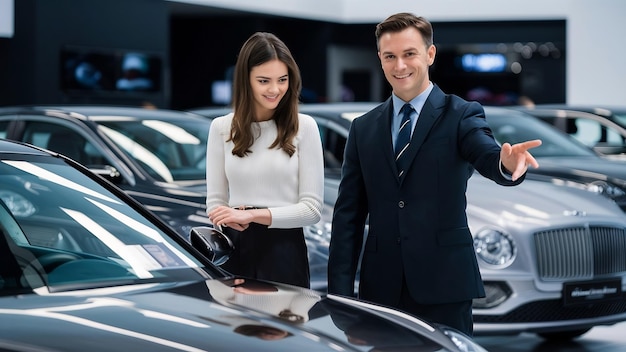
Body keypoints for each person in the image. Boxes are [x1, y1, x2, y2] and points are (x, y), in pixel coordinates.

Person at [327, 12, 542, 336]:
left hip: (445, 287)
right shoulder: (363, 128)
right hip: (381, 290)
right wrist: (340, 296)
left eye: (409, 53)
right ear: (381, 60)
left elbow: (484, 151)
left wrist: (506, 164)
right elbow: (348, 217)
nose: (400, 65)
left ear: (430, 54)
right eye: (390, 56)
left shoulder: (461, 114)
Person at [206, 32, 324, 289]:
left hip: (284, 251)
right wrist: (224, 217)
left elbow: (313, 210)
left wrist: (253, 215)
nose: (275, 89)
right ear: (245, 80)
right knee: (235, 327)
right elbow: (215, 203)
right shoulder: (221, 128)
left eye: (282, 80)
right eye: (264, 81)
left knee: (284, 328)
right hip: (234, 249)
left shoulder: (304, 127)